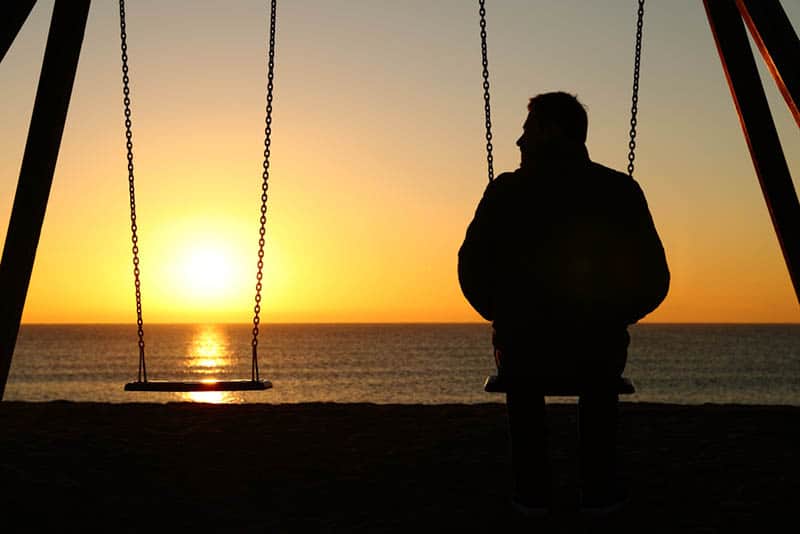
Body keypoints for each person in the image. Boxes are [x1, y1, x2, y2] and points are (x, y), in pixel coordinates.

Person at [458, 91, 669, 516]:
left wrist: (500, 312)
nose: (518, 142)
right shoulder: (618, 190)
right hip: (597, 347)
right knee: (598, 375)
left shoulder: (507, 192)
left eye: (527, 130)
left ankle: (531, 496)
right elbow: (655, 278)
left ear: (551, 130)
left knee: (522, 372)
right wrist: (615, 315)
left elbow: (470, 267)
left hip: (523, 346)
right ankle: (598, 494)